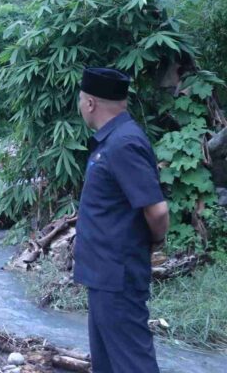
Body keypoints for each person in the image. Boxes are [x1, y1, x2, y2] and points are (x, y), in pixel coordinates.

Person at [74, 67, 169, 373]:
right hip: (103, 274)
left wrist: (155, 241)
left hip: (118, 275)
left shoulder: (123, 144)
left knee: (131, 363)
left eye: (80, 100)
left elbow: (157, 210)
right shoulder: (111, 140)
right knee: (106, 363)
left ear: (90, 103)